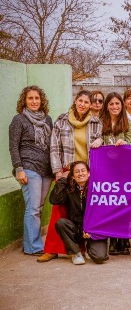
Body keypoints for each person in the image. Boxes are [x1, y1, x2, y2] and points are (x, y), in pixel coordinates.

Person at [38, 90, 102, 263]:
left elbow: (100, 144)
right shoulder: (62, 120)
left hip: (88, 173)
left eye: (86, 102)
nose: (82, 104)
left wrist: (101, 141)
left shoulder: (96, 122)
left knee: (84, 211)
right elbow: (54, 146)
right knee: (58, 211)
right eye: (80, 100)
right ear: (75, 101)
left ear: (91, 105)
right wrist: (58, 171)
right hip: (67, 170)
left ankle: (82, 248)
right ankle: (51, 249)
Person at [9, 86, 53, 256]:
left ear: (42, 100)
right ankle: (33, 247)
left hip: (46, 170)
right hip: (28, 167)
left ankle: (29, 243)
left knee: (39, 207)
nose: (34, 101)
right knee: (33, 207)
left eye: (37, 98)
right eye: (30, 98)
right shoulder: (18, 120)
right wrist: (19, 169)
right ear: (24, 101)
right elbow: (13, 146)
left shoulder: (47, 119)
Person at [50, 161, 108, 265]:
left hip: (94, 230)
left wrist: (92, 231)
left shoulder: (97, 188)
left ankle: (89, 248)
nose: (80, 174)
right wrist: (63, 179)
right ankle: (76, 253)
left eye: (83, 171)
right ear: (72, 176)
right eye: (77, 172)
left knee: (100, 257)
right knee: (61, 223)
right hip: (76, 229)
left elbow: (105, 213)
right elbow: (54, 199)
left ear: (89, 173)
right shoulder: (69, 189)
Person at [100, 92, 131, 256]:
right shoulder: (100, 123)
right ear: (107, 106)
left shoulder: (128, 124)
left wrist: (125, 143)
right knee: (110, 204)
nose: (114, 107)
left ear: (122, 106)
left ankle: (124, 239)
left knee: (123, 204)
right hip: (106, 170)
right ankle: (113, 240)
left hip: (123, 169)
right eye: (111, 104)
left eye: (117, 104)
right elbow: (96, 140)